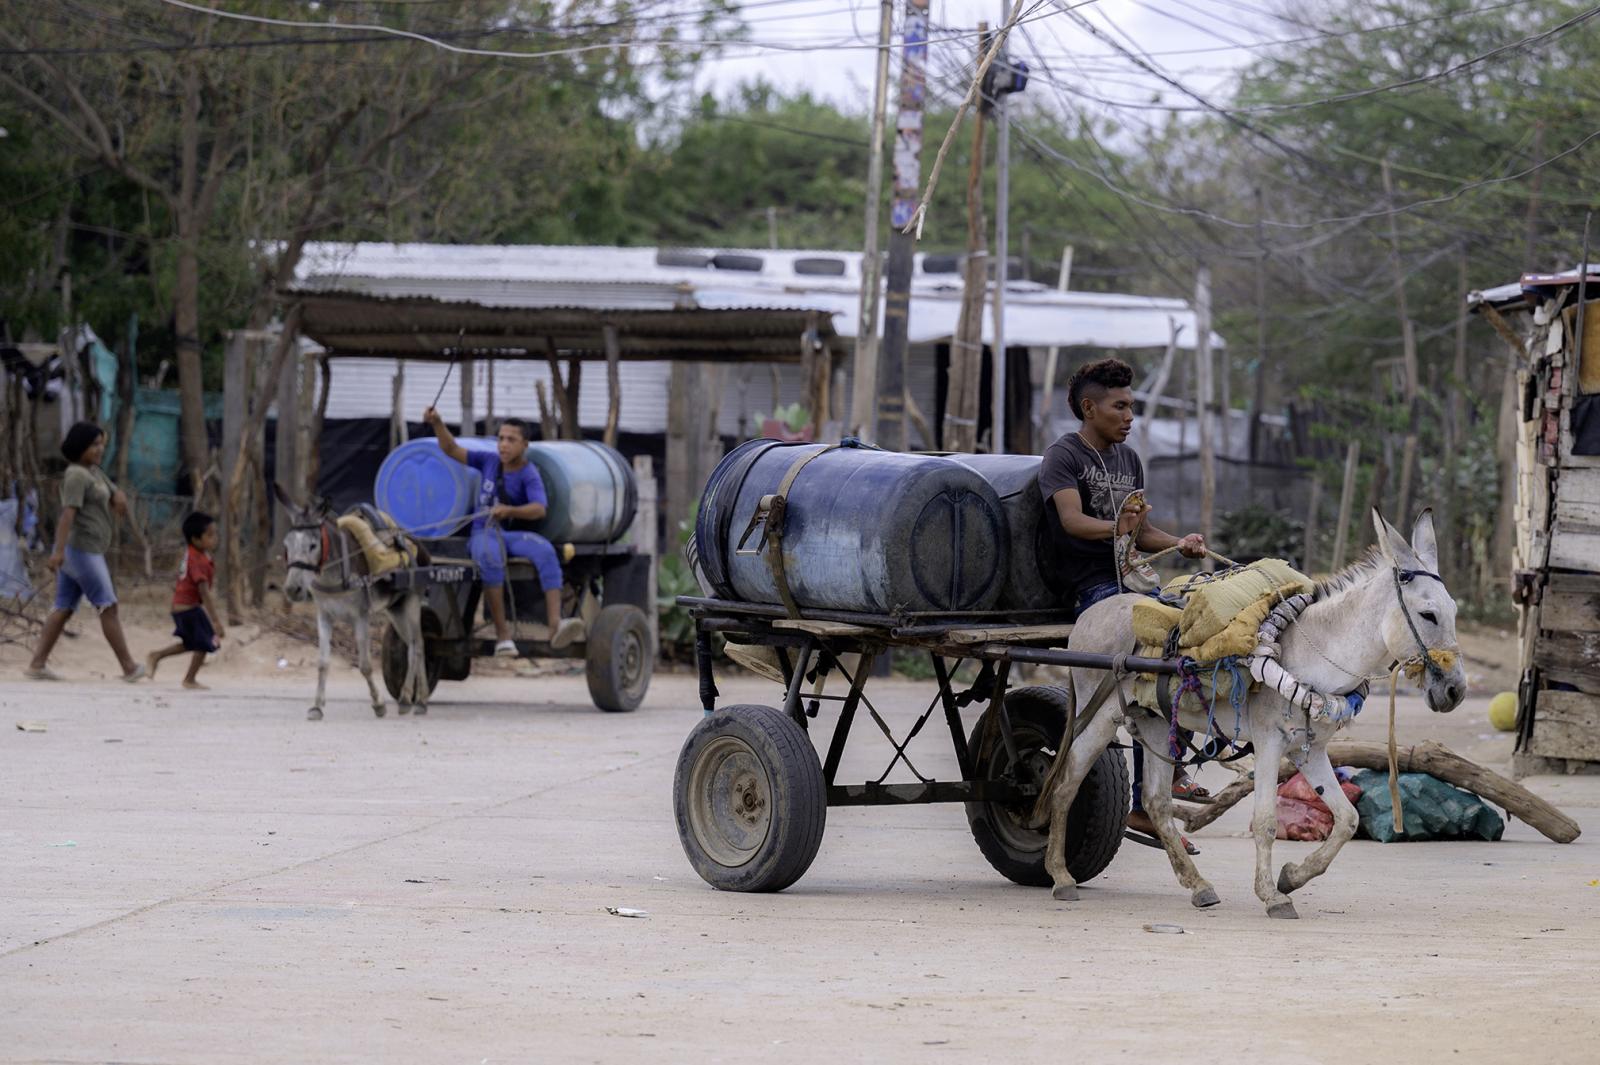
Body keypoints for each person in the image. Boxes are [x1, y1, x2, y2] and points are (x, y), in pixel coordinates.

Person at [1038, 357, 1207, 849]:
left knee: (1188, 629)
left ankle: (1163, 778)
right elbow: (1071, 522)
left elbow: (1144, 532)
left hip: (1129, 580)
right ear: (1090, 408)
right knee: (1146, 658)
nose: (1130, 415)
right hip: (1088, 586)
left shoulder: (1128, 461)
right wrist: (1119, 528)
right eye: (1121, 406)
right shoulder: (1063, 457)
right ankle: (1148, 799)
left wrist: (1182, 542)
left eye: (1132, 405)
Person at [422, 409, 584, 653]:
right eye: (501, 438)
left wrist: (510, 511)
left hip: (511, 535)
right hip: (483, 533)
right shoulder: (488, 461)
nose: (504, 445)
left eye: (511, 440)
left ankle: (555, 625)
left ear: (525, 445)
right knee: (489, 556)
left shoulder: (529, 473)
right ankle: (503, 637)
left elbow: (539, 509)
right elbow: (451, 449)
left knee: (546, 551)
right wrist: (437, 423)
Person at [26, 421, 146, 682]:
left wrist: (119, 497)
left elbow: (115, 493)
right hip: (82, 550)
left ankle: (37, 664)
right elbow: (67, 514)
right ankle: (129, 667)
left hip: (88, 550)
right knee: (108, 606)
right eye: (95, 444)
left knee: (64, 607)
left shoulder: (94, 472)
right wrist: (57, 552)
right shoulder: (76, 475)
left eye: (102, 443)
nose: (100, 449)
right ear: (81, 446)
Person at [146, 512, 223, 689]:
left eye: (215, 534)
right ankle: (189, 679)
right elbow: (204, 592)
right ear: (195, 539)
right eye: (210, 535)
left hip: (181, 607)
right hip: (189, 609)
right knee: (206, 642)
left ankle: (156, 655)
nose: (215, 539)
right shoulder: (198, 560)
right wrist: (216, 621)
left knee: (191, 643)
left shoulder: (194, 554)